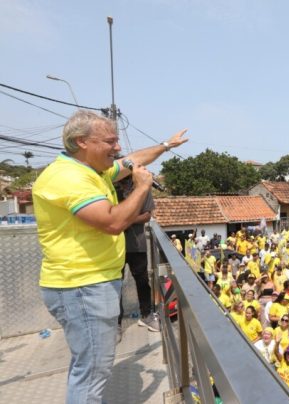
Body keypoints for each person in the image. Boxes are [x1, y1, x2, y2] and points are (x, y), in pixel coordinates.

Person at [33, 109, 187, 403]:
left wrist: (166, 146)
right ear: (82, 142)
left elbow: (134, 160)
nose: (118, 148)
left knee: (88, 366)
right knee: (92, 373)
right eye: (110, 142)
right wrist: (142, 187)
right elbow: (114, 222)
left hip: (88, 284)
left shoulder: (92, 171)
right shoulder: (69, 178)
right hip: (82, 287)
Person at [115, 174, 157, 338]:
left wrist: (124, 219)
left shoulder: (142, 189)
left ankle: (146, 316)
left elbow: (147, 215)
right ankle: (116, 324)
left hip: (137, 245)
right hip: (114, 246)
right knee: (115, 285)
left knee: (142, 282)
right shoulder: (110, 188)